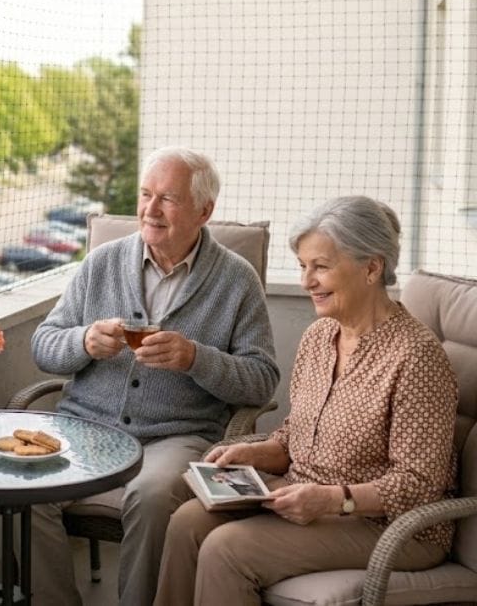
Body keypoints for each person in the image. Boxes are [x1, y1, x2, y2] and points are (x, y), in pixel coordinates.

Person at [154, 195, 459, 606]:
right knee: (186, 523)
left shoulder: (415, 357)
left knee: (226, 549)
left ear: (372, 267)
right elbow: (300, 432)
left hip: (388, 524)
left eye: (321, 267)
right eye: (302, 267)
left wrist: (334, 499)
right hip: (303, 493)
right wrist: (258, 452)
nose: (306, 281)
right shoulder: (320, 337)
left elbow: (419, 485)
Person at [30, 146, 281, 606]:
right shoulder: (101, 262)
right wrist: (84, 341)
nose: (150, 209)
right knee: (27, 488)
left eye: (168, 198)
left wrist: (196, 359)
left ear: (205, 210)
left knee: (150, 494)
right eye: (145, 195)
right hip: (86, 430)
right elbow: (43, 345)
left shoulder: (236, 280)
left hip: (177, 436)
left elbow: (262, 380)